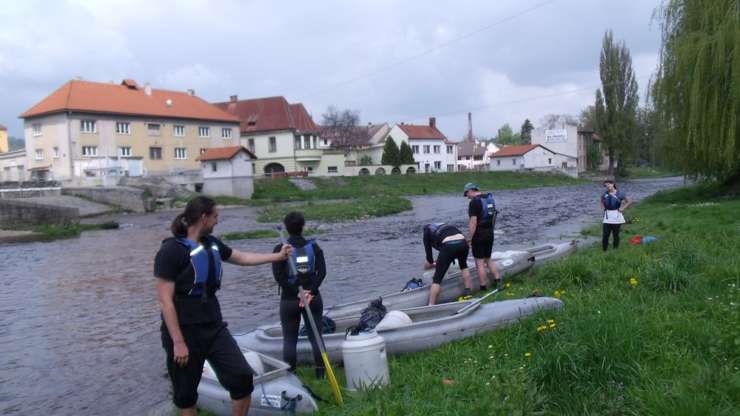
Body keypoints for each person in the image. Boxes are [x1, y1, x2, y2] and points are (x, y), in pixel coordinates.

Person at [154, 196, 291, 416]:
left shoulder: (212, 244)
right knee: (186, 395)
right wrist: (178, 342)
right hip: (184, 331)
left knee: (242, 378)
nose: (218, 221)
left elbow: (243, 257)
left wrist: (278, 256)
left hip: (213, 327)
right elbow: (165, 301)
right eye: (215, 216)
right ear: (203, 217)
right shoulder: (171, 251)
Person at [272, 212, 327, 379]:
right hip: (312, 298)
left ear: (287, 228)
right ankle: (320, 373)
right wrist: (312, 291)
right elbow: (322, 272)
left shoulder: (280, 249)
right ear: (303, 226)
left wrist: (295, 292)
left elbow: (279, 277)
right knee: (316, 336)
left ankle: (291, 375)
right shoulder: (314, 247)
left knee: (289, 339)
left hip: (289, 300)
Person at [423, 222, 474, 305]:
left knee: (437, 279)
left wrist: (432, 263)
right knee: (463, 266)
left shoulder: (426, 231)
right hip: (463, 242)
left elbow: (429, 258)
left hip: (448, 245)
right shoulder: (444, 226)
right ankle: (468, 293)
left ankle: (431, 305)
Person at [464, 183, 502, 290]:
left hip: (479, 234)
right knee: (488, 258)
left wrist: (470, 238)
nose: (467, 196)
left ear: (471, 190)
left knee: (479, 262)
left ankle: (483, 287)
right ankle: (498, 280)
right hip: (490, 232)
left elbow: (473, 222)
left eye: (466, 193)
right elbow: (493, 217)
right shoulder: (490, 198)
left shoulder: (474, 202)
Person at [601, 179, 631, 251]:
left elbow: (629, 201)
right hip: (607, 217)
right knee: (605, 235)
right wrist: (603, 207)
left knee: (615, 234)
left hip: (617, 216)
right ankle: (604, 250)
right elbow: (602, 201)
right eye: (606, 185)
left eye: (609, 184)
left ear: (613, 184)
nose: (607, 186)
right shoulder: (604, 194)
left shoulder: (620, 193)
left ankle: (615, 250)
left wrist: (623, 208)